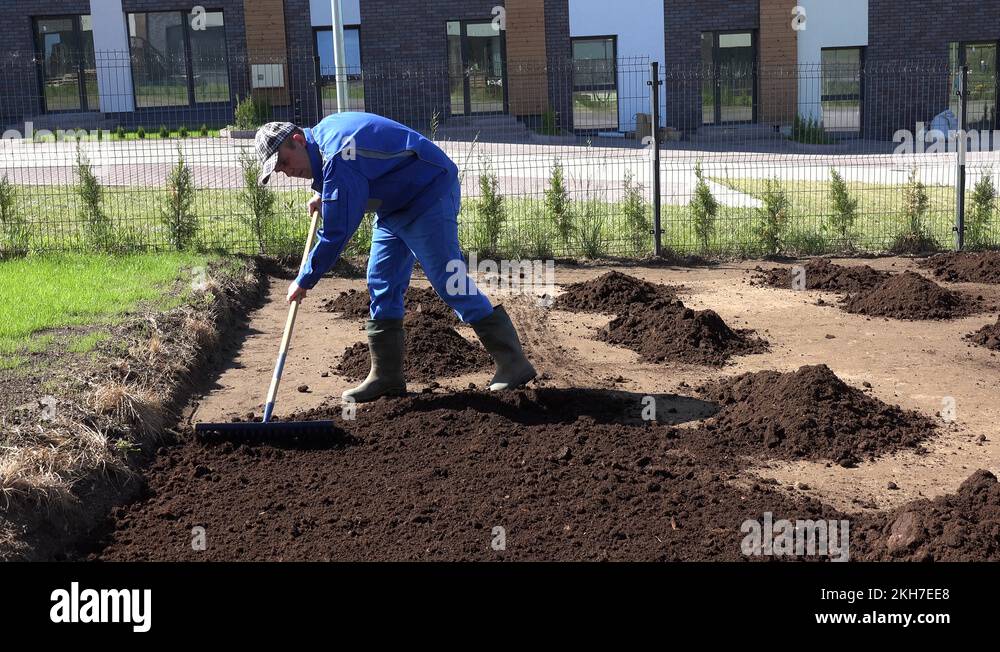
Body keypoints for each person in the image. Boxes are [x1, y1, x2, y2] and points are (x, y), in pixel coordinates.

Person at [254, 113, 536, 402]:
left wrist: (305, 279)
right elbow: (353, 173)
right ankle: (386, 376)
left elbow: (337, 232)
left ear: (298, 140)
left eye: (284, 163)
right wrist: (328, 193)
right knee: (381, 280)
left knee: (448, 280)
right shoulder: (326, 144)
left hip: (428, 193)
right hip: (394, 204)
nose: (286, 172)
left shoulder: (337, 154)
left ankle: (512, 362)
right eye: (278, 170)